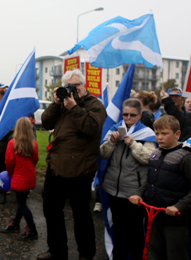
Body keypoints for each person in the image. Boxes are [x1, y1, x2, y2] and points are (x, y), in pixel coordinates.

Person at [37, 69, 107, 260]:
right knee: (51, 210)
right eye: (69, 86)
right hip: (56, 166)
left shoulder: (95, 105)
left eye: (77, 85)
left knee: (81, 215)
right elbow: (45, 122)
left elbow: (92, 128)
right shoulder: (61, 104)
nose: (73, 89)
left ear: (84, 86)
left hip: (81, 169)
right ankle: (56, 250)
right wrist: (56, 102)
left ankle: (86, 254)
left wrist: (74, 107)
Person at [100, 98, 157, 260]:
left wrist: (132, 143)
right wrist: (111, 142)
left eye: (132, 115)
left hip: (134, 193)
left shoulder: (147, 134)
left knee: (135, 234)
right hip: (113, 190)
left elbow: (149, 158)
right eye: (125, 114)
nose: (128, 118)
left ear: (140, 115)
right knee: (118, 231)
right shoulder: (115, 130)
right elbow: (103, 154)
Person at [129, 115, 191, 260]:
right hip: (155, 215)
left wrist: (179, 206)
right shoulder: (156, 154)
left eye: (164, 133)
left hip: (176, 220)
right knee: (154, 253)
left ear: (177, 134)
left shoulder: (186, 157)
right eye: (157, 133)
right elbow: (149, 180)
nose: (159, 137)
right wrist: (139, 194)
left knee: (175, 254)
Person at [0, 117, 39, 241]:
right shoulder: (34, 144)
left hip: (18, 176)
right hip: (30, 176)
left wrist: (10, 173)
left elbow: (9, 161)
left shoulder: (12, 143)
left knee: (22, 204)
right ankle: (16, 223)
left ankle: (32, 229)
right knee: (21, 201)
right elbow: (35, 159)